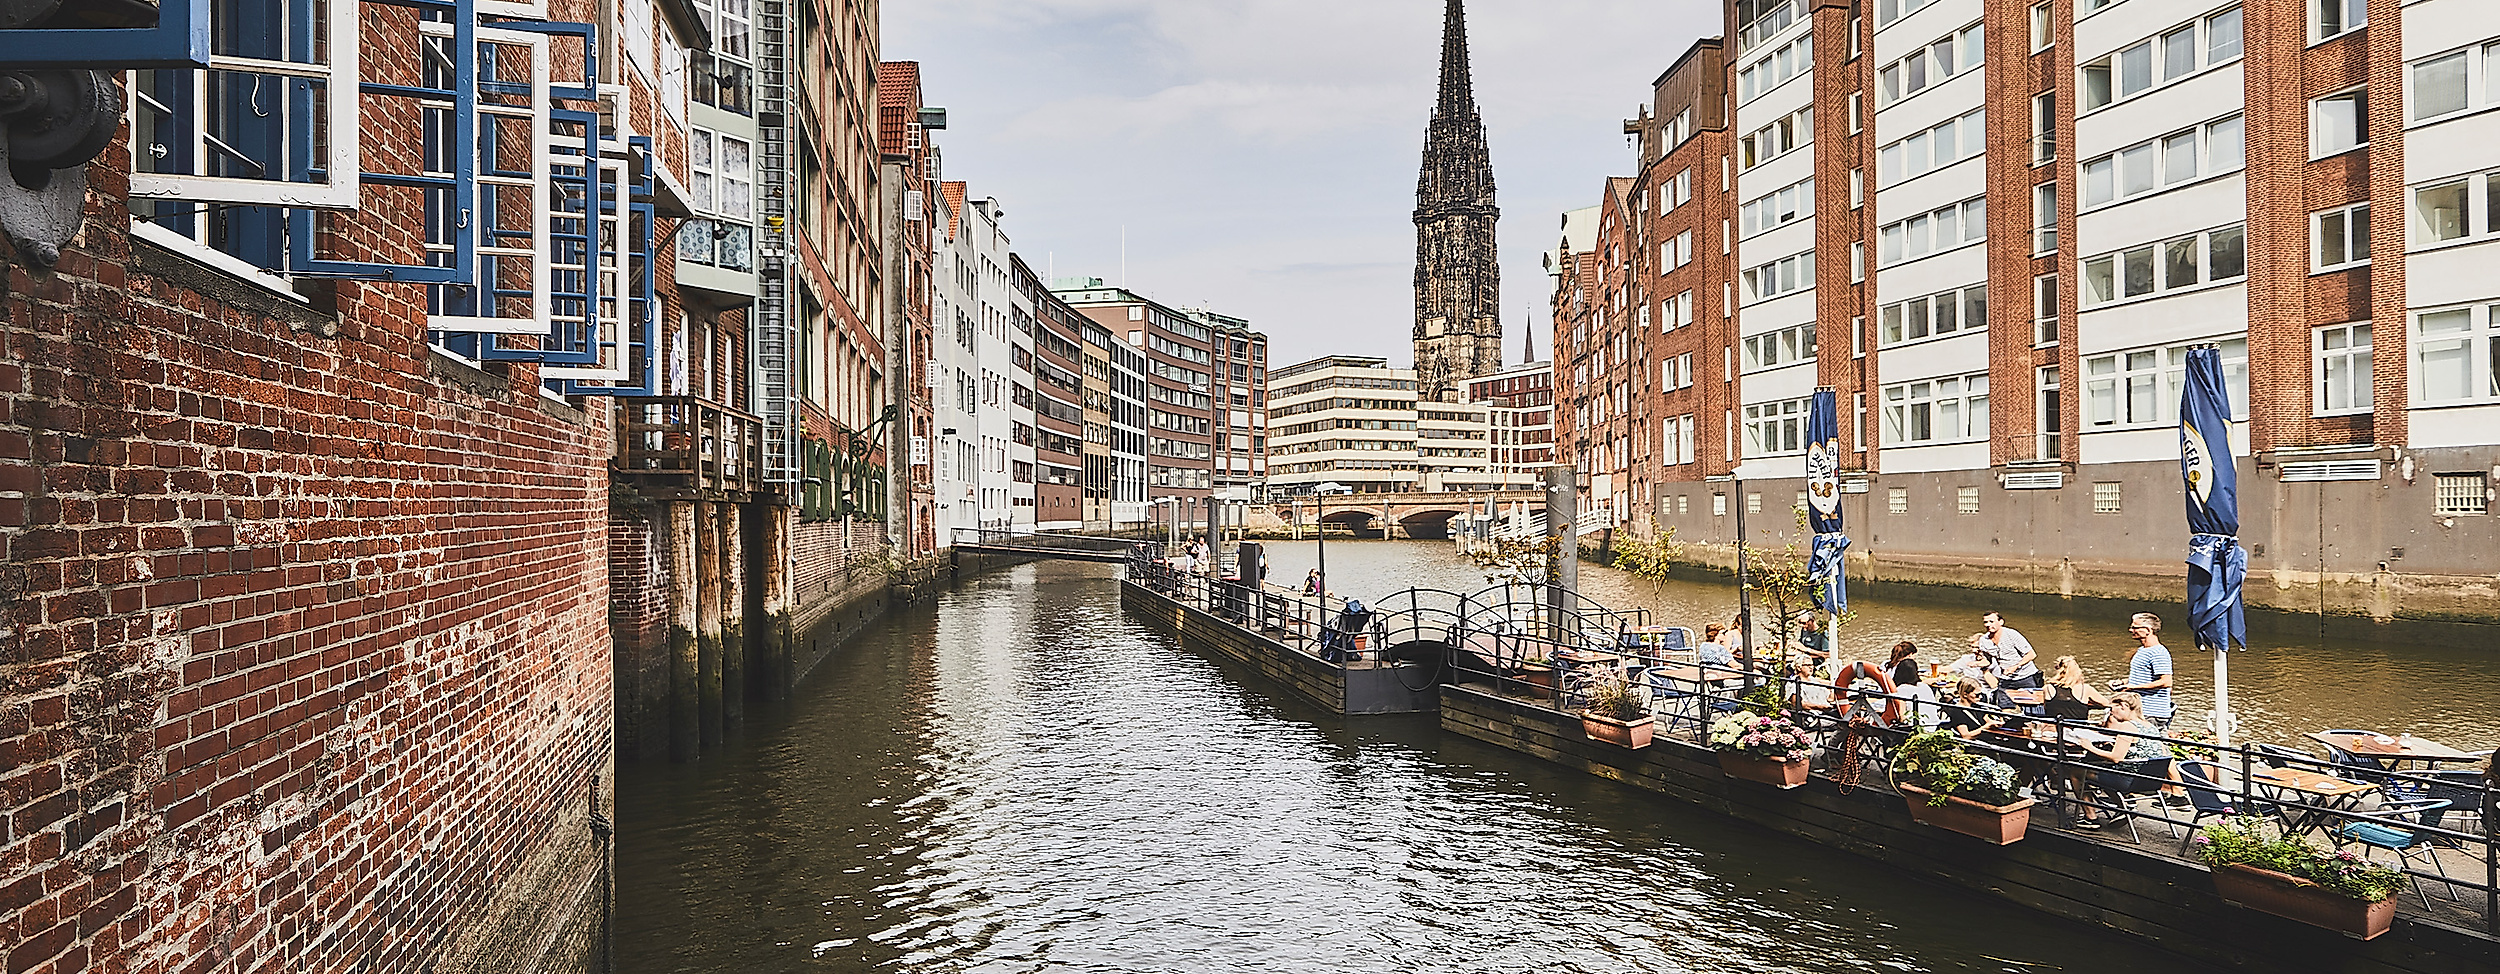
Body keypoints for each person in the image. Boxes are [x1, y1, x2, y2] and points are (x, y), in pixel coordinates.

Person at [2067, 692, 2176, 826]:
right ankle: (2125, 806)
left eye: (2112, 710)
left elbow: (2116, 758)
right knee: (2103, 769)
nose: (2111, 714)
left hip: (2129, 780)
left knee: (2076, 771)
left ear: (2123, 706)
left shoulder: (2127, 726)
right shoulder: (2150, 726)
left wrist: (2089, 747)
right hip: (2150, 780)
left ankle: (2090, 817)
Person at [2111, 612, 2176, 729]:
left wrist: (2133, 687)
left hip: (2152, 712)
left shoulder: (2158, 652)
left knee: (2151, 744)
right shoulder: (2142, 650)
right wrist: (2122, 683)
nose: (2131, 630)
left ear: (2147, 630)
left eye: (2134, 627)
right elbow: (2143, 676)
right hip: (2140, 710)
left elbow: (2166, 682)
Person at [1980, 611, 2042, 689]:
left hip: (2026, 677)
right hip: (2005, 678)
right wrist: (1977, 663)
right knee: (2002, 700)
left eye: (1991, 622)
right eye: (1985, 622)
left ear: (2001, 622)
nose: (1988, 625)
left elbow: (2031, 654)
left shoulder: (2012, 634)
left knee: (2029, 700)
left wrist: (2016, 666)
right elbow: (1988, 660)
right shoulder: (1984, 640)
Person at [2042, 655, 2110, 722]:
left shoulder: (2048, 688)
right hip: (2078, 729)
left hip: (2053, 729)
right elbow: (2106, 703)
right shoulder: (2085, 689)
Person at [1940, 677, 2005, 740]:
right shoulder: (1957, 712)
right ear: (1965, 694)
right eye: (1977, 695)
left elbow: (1987, 720)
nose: (1980, 697)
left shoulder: (1976, 706)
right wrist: (1985, 727)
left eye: (1981, 694)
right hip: (1976, 744)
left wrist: (1996, 723)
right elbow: (1966, 736)